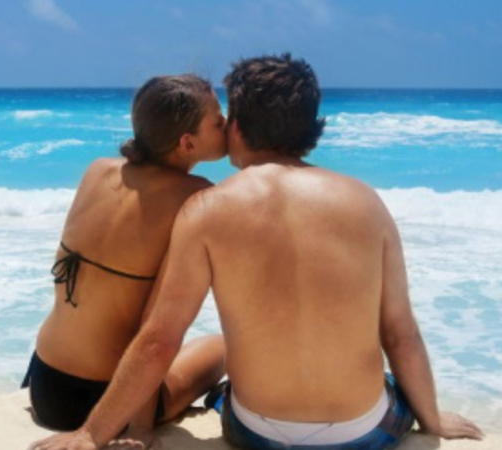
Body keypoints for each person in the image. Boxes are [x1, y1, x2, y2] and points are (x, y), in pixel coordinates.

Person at [29, 54, 485, 450]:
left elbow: (159, 338)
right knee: (379, 383)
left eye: (226, 118)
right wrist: (433, 421)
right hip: (362, 435)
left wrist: (92, 434)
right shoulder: (367, 202)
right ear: (311, 126)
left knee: (232, 363)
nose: (224, 126)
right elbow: (401, 334)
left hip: (252, 432)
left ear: (240, 127)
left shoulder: (201, 206)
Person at [21, 74, 227, 438]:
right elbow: (154, 328)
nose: (227, 125)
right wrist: (139, 426)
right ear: (187, 142)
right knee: (225, 348)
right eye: (218, 121)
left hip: (45, 383)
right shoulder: (195, 197)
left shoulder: (98, 171)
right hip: (109, 402)